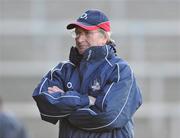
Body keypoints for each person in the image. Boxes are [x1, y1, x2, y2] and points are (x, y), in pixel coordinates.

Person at [32, 9, 142, 138]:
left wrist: (66, 110)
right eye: (77, 33)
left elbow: (107, 118)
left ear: (104, 37)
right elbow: (45, 103)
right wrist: (87, 100)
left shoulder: (120, 70)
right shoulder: (63, 69)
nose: (79, 39)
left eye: (87, 33)